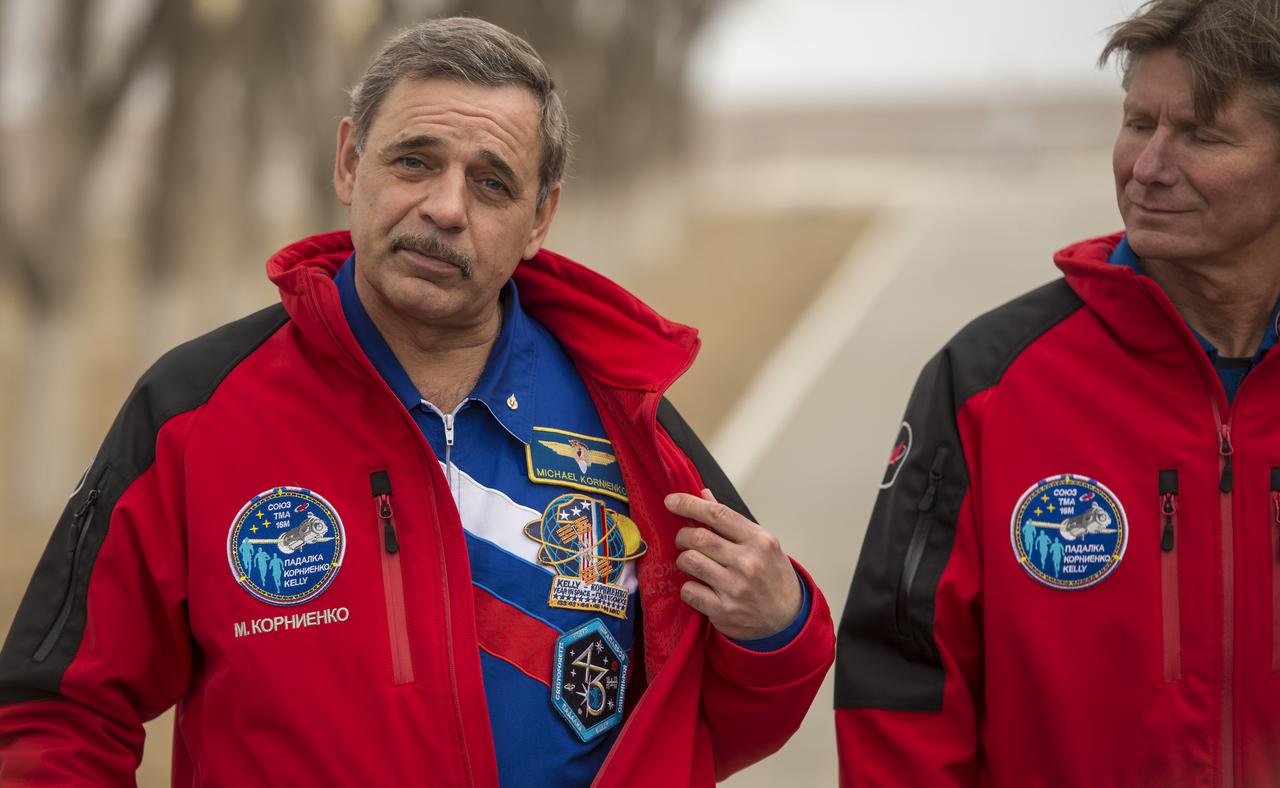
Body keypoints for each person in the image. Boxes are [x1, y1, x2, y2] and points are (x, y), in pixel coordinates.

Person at [0, 18, 833, 786]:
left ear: (541, 218)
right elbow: (57, 709)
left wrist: (782, 630)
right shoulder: (196, 409)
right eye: (414, 161)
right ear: (349, 162)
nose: (444, 208)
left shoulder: (625, 415)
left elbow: (708, 707)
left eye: (492, 184)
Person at [835, 0, 1280, 783]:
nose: (1148, 166)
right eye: (1139, 123)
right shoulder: (987, 382)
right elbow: (901, 681)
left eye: (1203, 135)